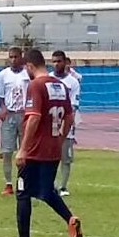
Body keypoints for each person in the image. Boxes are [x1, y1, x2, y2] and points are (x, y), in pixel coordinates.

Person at [1, 48, 83, 237]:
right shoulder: (61, 85)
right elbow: (70, 117)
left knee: (22, 191)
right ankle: (70, 219)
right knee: (46, 191)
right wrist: (60, 138)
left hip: (35, 150)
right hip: (53, 149)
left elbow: (34, 117)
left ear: (29, 66)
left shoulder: (36, 85)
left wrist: (23, 150)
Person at [0, 47, 30, 195]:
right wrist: (3, 108)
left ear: (21, 58)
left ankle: (23, 181)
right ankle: (8, 183)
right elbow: (0, 95)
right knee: (7, 151)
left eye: (16, 57)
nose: (13, 60)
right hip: (9, 115)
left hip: (24, 115)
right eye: (11, 57)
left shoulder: (28, 74)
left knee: (25, 151)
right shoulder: (3, 75)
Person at [49, 51, 81, 197]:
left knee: (65, 157)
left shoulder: (73, 82)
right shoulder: (47, 79)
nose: (56, 64)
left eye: (59, 61)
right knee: (49, 157)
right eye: (54, 61)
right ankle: (50, 184)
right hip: (49, 126)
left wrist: (67, 124)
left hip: (65, 125)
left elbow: (73, 106)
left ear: (65, 62)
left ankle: (63, 186)